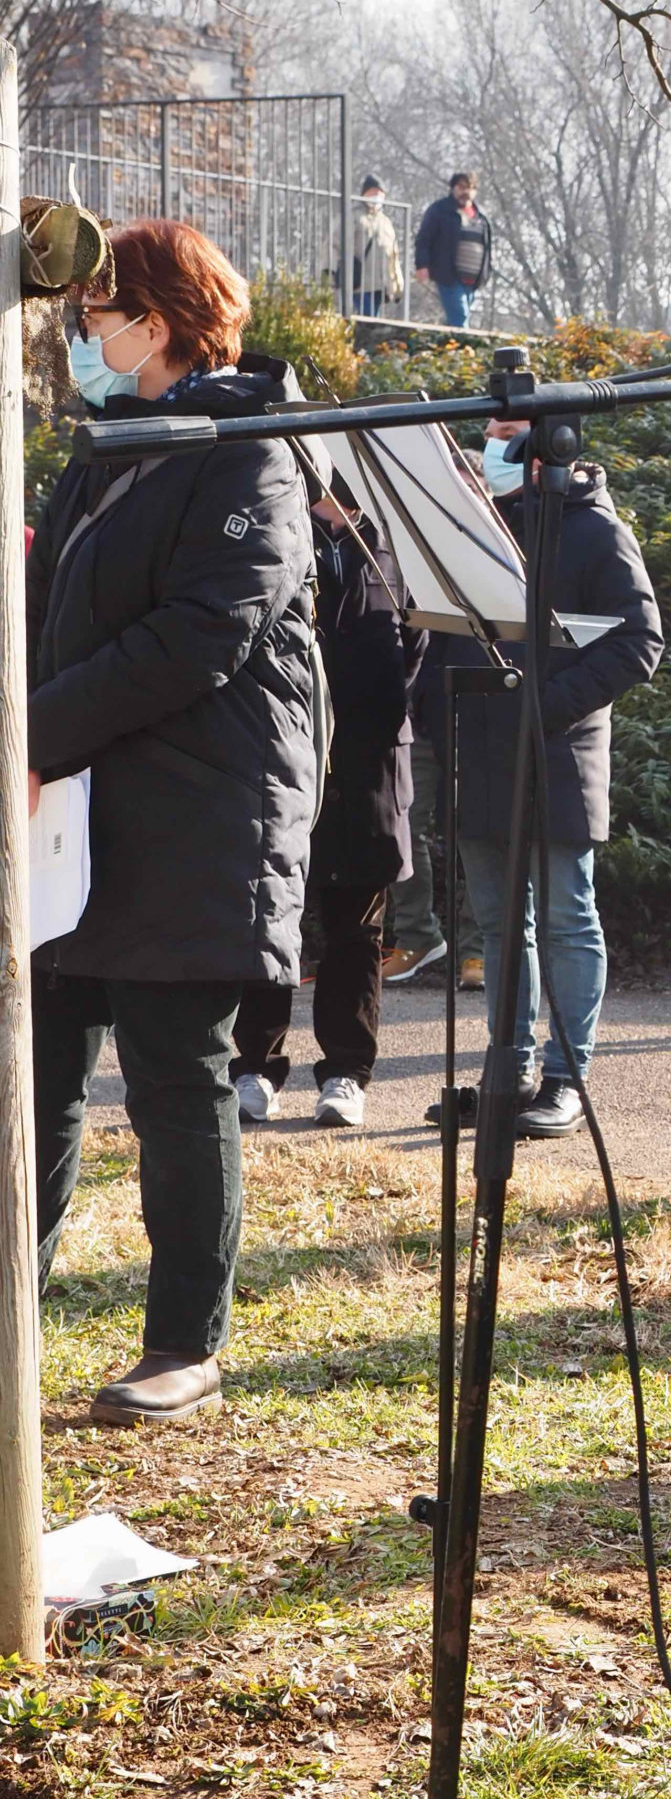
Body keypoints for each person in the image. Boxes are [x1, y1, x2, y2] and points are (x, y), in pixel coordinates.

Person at [29, 219, 316, 1427]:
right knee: (33, 1070)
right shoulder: (108, 450)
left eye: (95, 319)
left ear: (154, 323)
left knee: (173, 1078)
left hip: (198, 820)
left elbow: (199, 637)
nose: (81, 342)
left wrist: (28, 734)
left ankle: (184, 1344)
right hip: (82, 824)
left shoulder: (248, 450)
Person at [427, 420, 662, 1138]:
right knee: (498, 926)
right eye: (490, 432)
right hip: (480, 757)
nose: (492, 446)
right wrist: (439, 718)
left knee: (565, 920)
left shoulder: (596, 532)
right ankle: (510, 1070)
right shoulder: (476, 529)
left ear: (549, 446)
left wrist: (541, 708)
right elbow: (437, 635)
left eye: (508, 434)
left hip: (557, 757)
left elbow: (638, 642)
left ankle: (565, 1078)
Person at [232, 481, 427, 1127]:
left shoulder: (399, 547)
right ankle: (256, 1067)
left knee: (357, 930)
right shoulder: (276, 531)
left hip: (370, 768)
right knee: (269, 918)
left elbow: (418, 652)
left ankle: (346, 1072)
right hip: (282, 761)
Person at [381, 735, 483, 988]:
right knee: (399, 826)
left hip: (479, 717)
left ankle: (478, 950)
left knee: (481, 834)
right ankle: (417, 936)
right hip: (416, 719)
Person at [413, 173, 493, 329]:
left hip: (472, 279)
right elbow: (423, 239)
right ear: (453, 188)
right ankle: (465, 350)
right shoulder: (440, 210)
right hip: (449, 275)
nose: (466, 192)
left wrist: (486, 272)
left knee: (456, 320)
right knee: (460, 317)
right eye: (461, 187)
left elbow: (487, 247)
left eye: (470, 188)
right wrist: (422, 265)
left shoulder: (481, 217)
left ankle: (448, 349)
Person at [351, 177, 403, 319]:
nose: (376, 197)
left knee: (374, 318)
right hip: (359, 282)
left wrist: (397, 285)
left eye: (380, 193)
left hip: (380, 284)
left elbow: (393, 256)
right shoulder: (353, 217)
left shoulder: (386, 223)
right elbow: (337, 243)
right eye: (372, 193)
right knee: (369, 318)